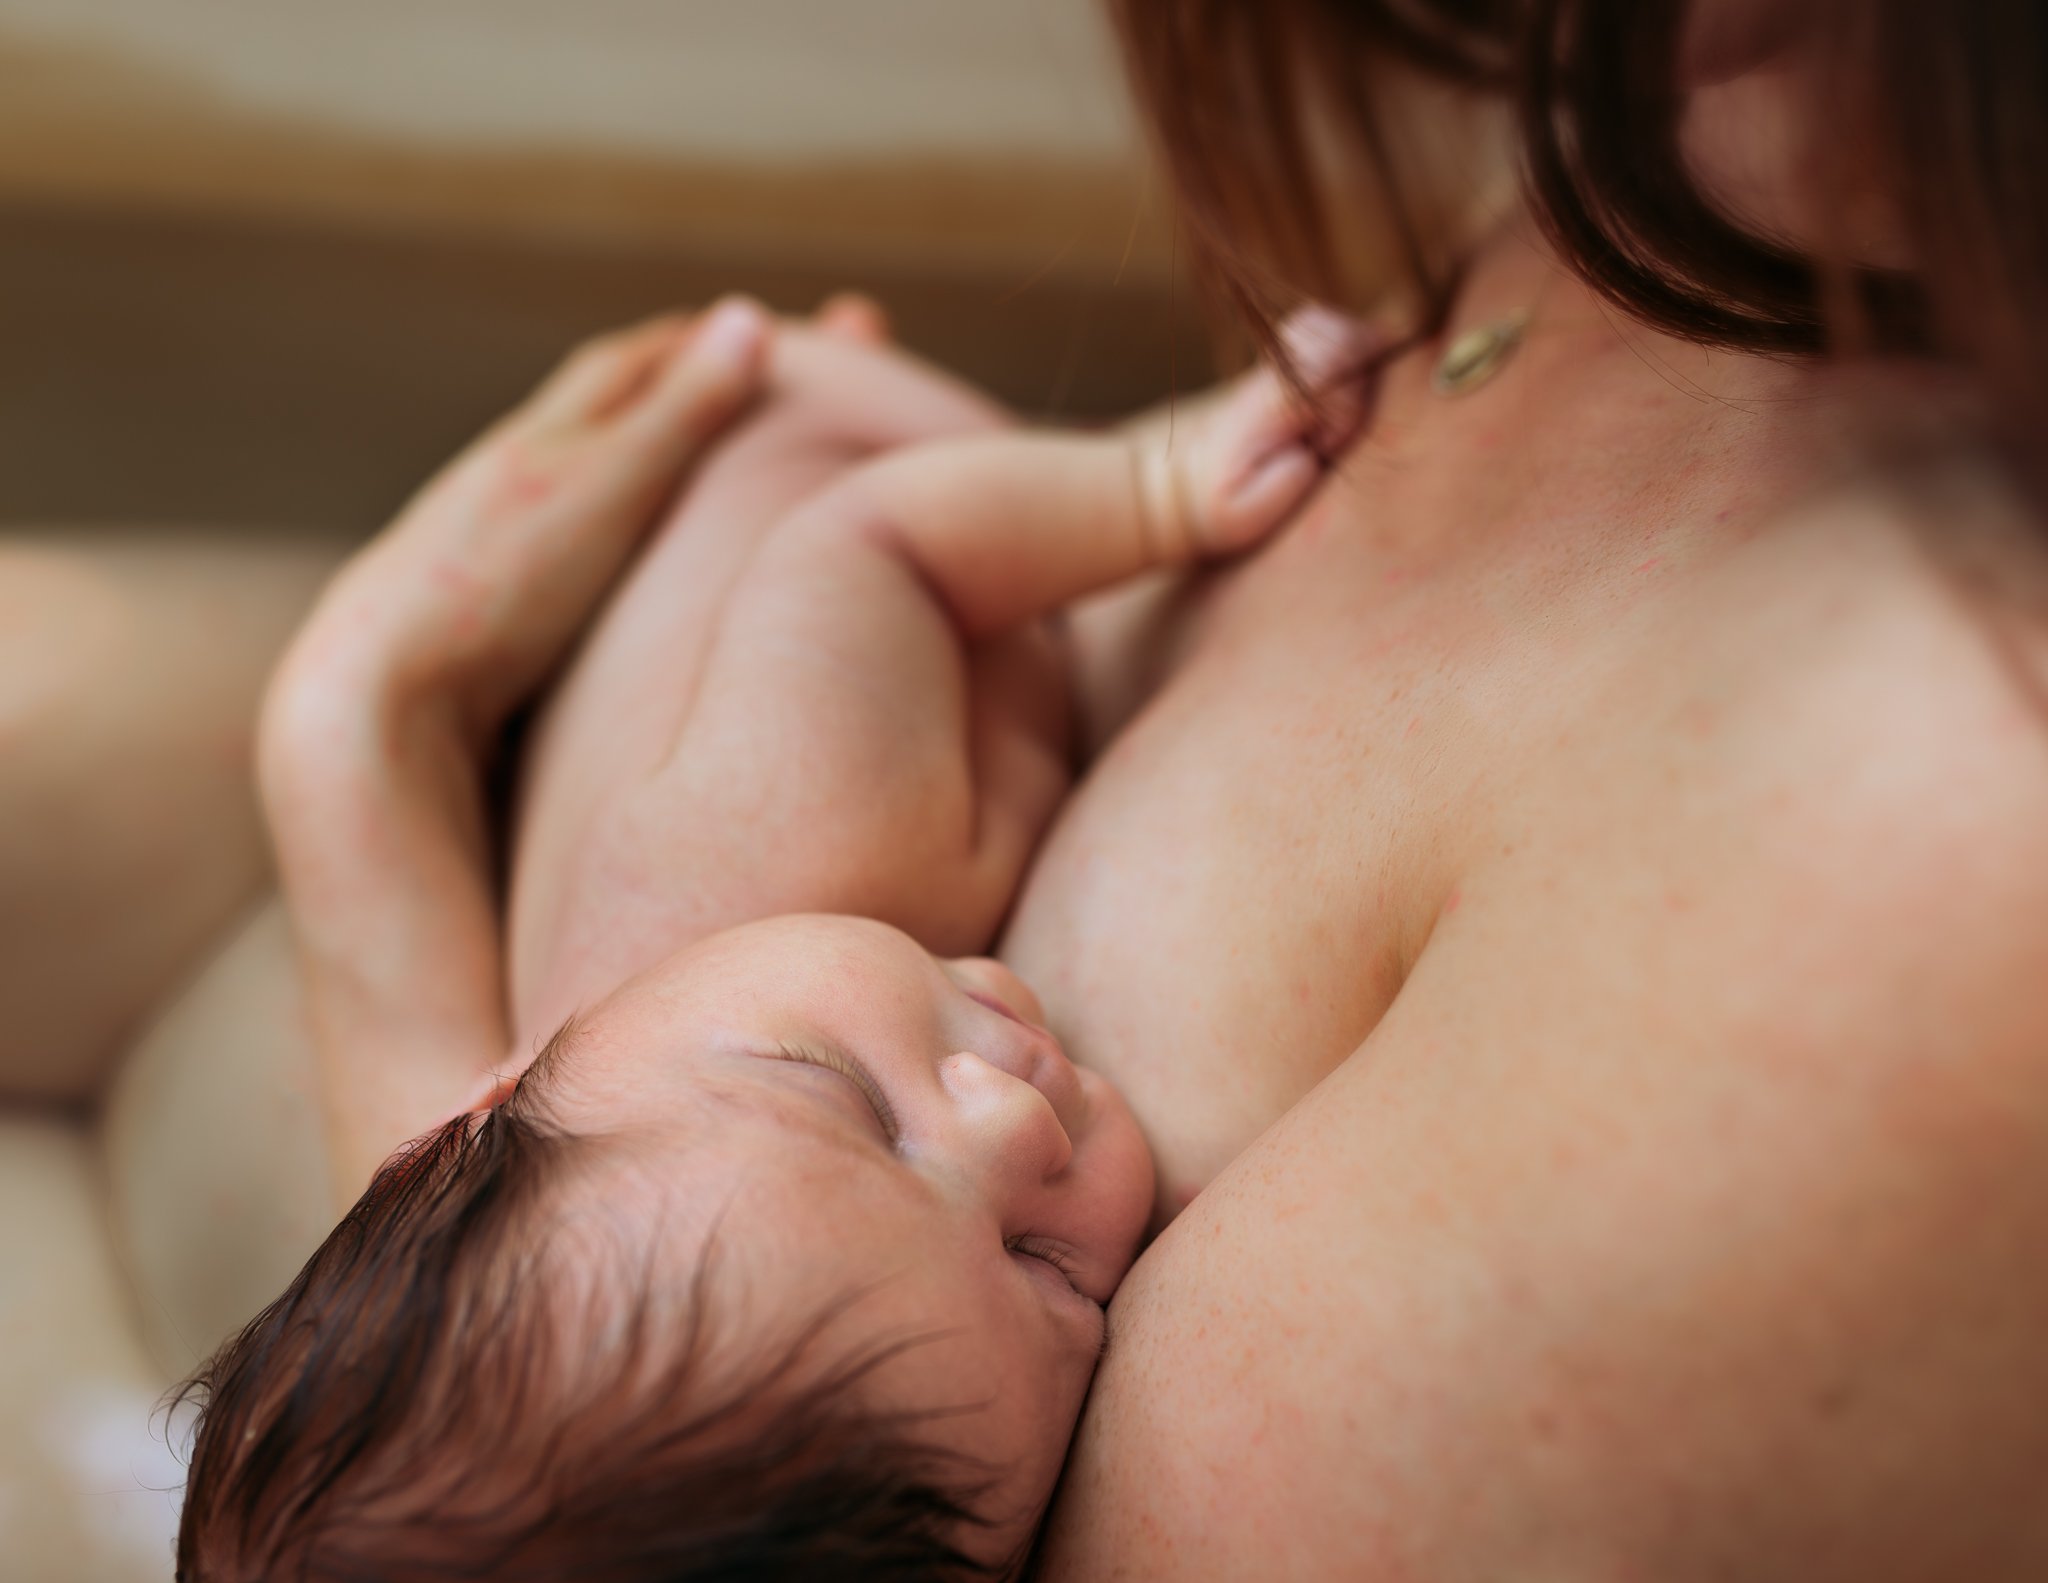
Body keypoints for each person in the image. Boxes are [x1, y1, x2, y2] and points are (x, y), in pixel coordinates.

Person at [4, 0, 2044, 1576]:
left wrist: (368, 787)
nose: (1010, 1108)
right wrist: (361, 755)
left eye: (1068, 1281)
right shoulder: (1735, 95)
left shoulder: (1912, 885)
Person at [170, 293, 1372, 1579]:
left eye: (847, 1097)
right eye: (1044, 1269)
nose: (1014, 1125)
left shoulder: (778, 832)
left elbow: (874, 539)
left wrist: (1153, 488)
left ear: (501, 1092)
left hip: (821, 450)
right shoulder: (663, 1133)